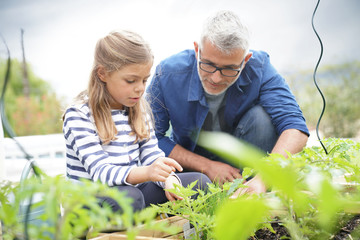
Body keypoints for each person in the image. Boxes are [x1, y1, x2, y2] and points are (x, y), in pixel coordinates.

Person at [146, 10, 309, 195]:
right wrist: (206, 166)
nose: (216, 78)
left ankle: (251, 191)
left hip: (243, 163)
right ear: (197, 50)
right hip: (191, 165)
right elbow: (150, 137)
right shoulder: (167, 74)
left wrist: (263, 179)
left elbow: (295, 129)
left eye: (229, 69)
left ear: (245, 60)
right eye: (208, 64)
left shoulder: (260, 67)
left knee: (262, 118)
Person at [62, 30, 211, 212]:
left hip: (133, 192)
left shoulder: (138, 109)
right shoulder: (79, 114)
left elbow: (151, 155)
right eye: (131, 80)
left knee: (199, 184)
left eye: (144, 80)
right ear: (102, 73)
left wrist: (168, 179)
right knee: (129, 199)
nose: (140, 89)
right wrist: (147, 172)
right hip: (91, 201)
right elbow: (100, 172)